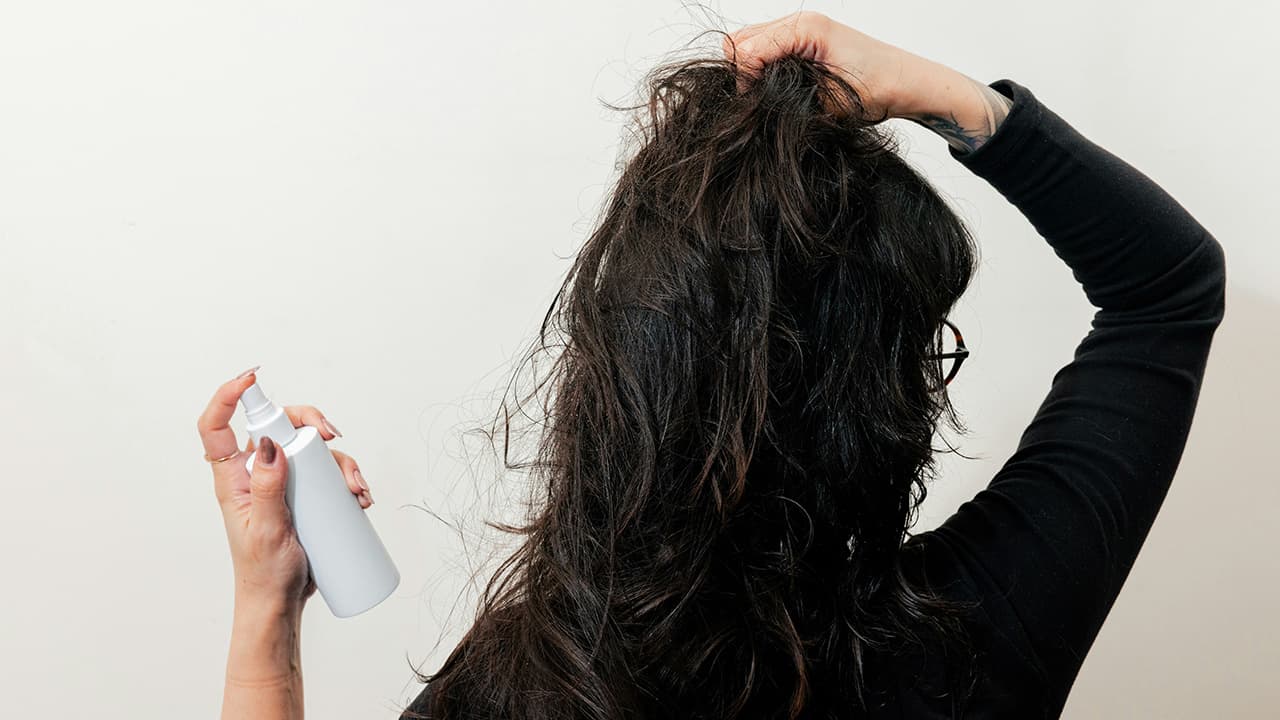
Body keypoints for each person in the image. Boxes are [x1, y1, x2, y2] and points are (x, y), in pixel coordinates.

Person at [195, 12, 1226, 719]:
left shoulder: (538, 676)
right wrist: (941, 96)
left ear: (623, 376)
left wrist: (267, 606)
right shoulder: (976, 641)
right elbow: (1165, 291)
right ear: (877, 403)